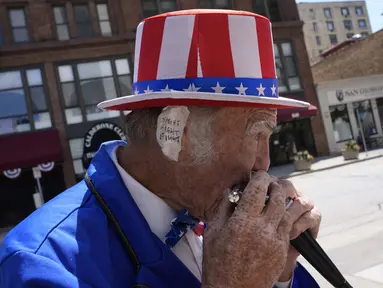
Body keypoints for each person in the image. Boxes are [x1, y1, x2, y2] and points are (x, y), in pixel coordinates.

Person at [0, 9, 321, 288]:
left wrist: (280, 272)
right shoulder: (41, 264)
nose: (264, 163)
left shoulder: (203, 202)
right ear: (176, 133)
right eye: (256, 135)